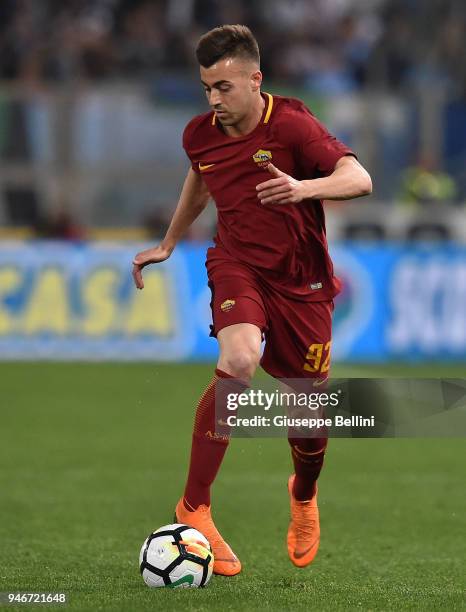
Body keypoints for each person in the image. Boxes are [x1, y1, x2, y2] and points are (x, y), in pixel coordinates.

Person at [132, 24, 372, 576]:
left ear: (254, 79)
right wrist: (170, 242)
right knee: (238, 360)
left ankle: (304, 495)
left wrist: (303, 188)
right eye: (206, 89)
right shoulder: (200, 133)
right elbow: (202, 175)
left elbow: (358, 178)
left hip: (302, 282)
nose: (214, 100)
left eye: (223, 87)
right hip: (238, 265)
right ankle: (194, 506)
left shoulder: (291, 123)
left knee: (309, 419)